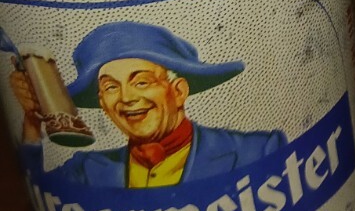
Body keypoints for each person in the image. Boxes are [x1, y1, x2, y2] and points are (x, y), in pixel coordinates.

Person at [9, 19, 284, 188]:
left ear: (178, 91)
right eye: (111, 87)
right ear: (102, 103)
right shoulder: (87, 171)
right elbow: (39, 193)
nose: (127, 98)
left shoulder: (258, 152)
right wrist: (33, 120)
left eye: (141, 82)